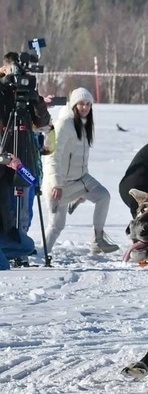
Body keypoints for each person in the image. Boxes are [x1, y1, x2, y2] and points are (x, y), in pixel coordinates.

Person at [41, 87, 119, 255]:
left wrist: (85, 187)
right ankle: (41, 256)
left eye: (88, 104)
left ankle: (98, 239)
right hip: (60, 183)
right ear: (74, 105)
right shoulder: (63, 125)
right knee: (56, 226)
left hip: (81, 179)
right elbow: (52, 157)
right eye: (81, 104)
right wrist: (56, 184)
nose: (85, 108)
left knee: (103, 196)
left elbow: (79, 159)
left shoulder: (84, 125)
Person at [0, 51, 52, 267]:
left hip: (23, 154)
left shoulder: (27, 93)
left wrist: (36, 100)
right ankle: (10, 248)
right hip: (4, 157)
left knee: (24, 211)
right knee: (7, 210)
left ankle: (18, 249)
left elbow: (42, 122)